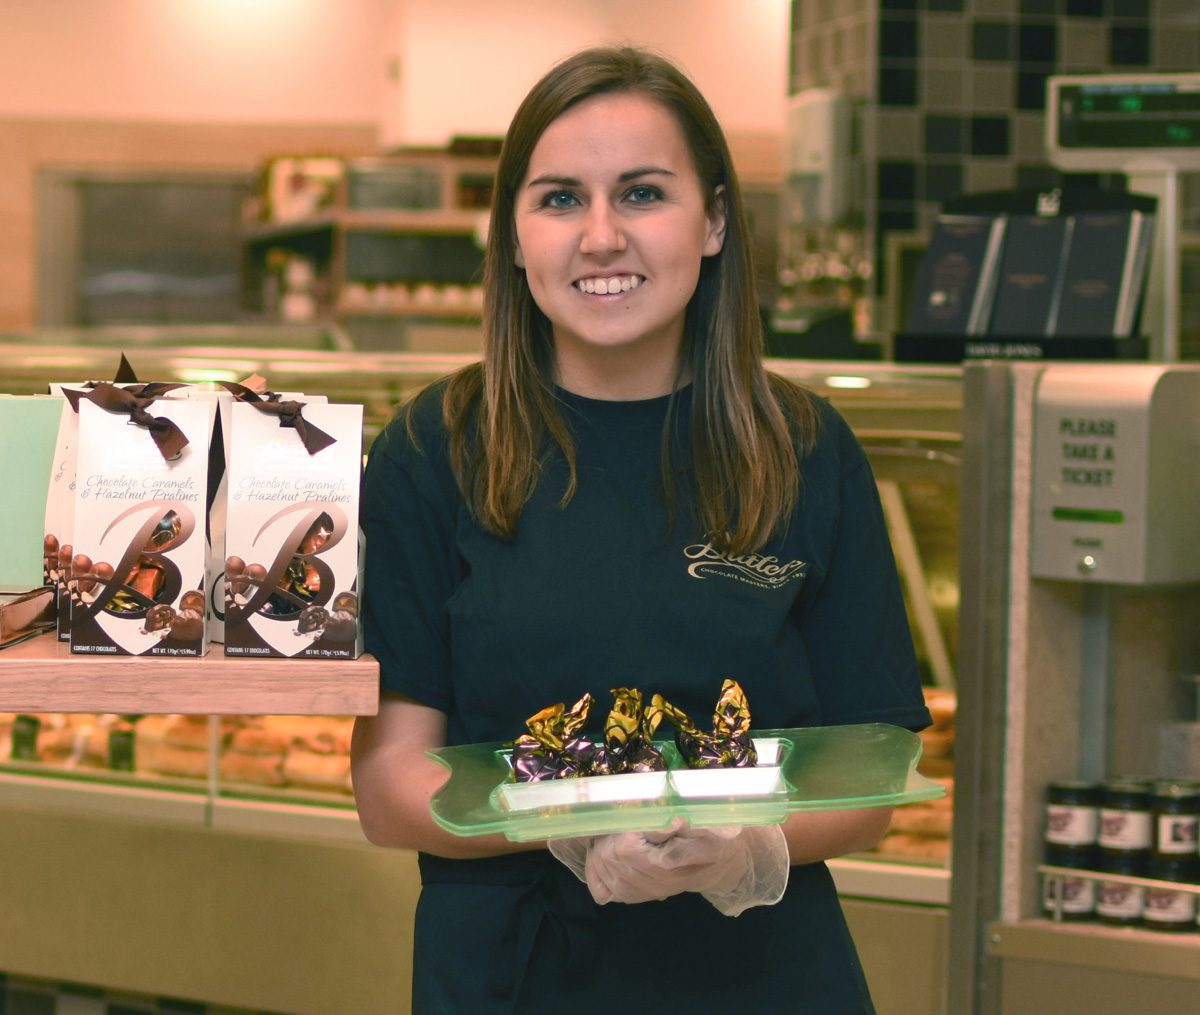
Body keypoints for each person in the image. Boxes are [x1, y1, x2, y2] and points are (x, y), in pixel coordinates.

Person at [352, 44, 931, 1013]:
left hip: (760, 975)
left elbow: (872, 774)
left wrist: (751, 848)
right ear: (512, 237)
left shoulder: (803, 449)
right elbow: (389, 786)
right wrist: (568, 827)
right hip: (514, 971)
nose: (602, 236)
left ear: (712, 221)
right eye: (560, 200)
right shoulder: (432, 448)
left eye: (644, 193)